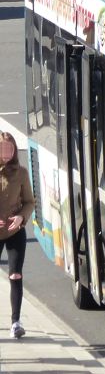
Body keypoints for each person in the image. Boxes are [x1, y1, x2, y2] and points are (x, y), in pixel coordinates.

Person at [0, 132, 33, 339]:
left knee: (15, 274)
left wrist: (21, 217)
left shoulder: (21, 173)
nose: (6, 153)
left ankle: (15, 322)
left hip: (15, 232)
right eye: (3, 149)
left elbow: (29, 201)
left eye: (10, 149)